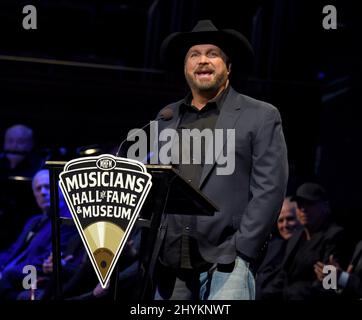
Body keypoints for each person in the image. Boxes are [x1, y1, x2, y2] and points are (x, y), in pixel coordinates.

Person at [152, 20, 288, 300]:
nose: (203, 60)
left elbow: (270, 188)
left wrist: (244, 248)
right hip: (171, 261)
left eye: (212, 53)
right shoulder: (166, 117)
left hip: (227, 260)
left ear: (228, 67)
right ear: (185, 67)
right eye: (194, 55)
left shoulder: (260, 115)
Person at [0, 169, 75, 300]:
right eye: (38, 189)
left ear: (62, 189)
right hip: (14, 274)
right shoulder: (34, 221)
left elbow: (47, 261)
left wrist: (6, 273)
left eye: (47, 187)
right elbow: (13, 250)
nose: (43, 192)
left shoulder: (67, 220)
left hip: (34, 278)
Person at [268, 183, 348, 300]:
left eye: (310, 204)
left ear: (325, 206)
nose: (303, 209)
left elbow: (328, 285)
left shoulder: (335, 236)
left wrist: (287, 293)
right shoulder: (297, 236)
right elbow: (283, 273)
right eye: (300, 204)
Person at [256, 197, 301, 299]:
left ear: (301, 217)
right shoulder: (271, 247)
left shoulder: (310, 245)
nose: (285, 225)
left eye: (290, 219)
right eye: (280, 220)